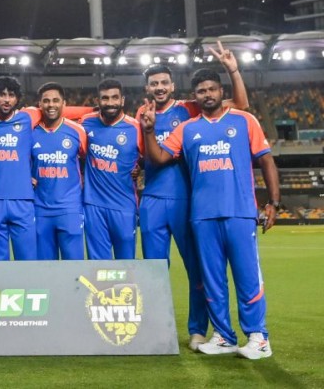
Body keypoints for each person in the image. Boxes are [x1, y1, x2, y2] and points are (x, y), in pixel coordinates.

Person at [141, 68, 280, 360]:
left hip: (240, 211)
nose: (208, 95)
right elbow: (159, 158)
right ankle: (223, 336)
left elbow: (266, 160)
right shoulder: (188, 128)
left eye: (212, 90)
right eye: (202, 91)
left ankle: (258, 337)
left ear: (221, 92)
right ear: (195, 96)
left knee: (247, 277)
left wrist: (273, 202)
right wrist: (150, 130)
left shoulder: (244, 121)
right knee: (212, 278)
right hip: (201, 215)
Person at [137, 41, 248, 350]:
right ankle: (156, 329)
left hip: (185, 200)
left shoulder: (189, 108)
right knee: (154, 270)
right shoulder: (141, 113)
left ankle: (197, 329)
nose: (159, 87)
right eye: (153, 83)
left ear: (172, 85)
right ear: (147, 88)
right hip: (151, 201)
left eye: (163, 82)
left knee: (196, 269)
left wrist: (233, 69)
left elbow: (239, 105)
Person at [0, 77, 92, 260]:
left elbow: (56, 108)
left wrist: (94, 110)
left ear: (17, 99)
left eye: (11, 95)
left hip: (23, 201)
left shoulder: (29, 116)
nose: (6, 99)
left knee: (29, 262)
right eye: (1, 95)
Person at [80, 79, 142, 260]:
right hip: (93, 205)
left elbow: (150, 157)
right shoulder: (86, 123)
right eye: (105, 98)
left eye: (114, 98)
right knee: (97, 265)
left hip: (124, 205)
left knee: (126, 263)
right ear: (97, 101)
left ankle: (123, 290)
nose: (110, 103)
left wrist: (140, 167)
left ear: (122, 100)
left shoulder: (135, 127)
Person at [31, 83, 88, 260]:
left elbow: (89, 162)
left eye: (56, 100)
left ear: (64, 103)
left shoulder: (77, 131)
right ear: (39, 104)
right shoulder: (30, 132)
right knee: (45, 270)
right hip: (40, 209)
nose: (51, 105)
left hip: (70, 208)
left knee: (74, 269)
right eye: (46, 101)